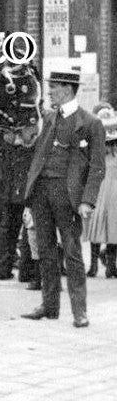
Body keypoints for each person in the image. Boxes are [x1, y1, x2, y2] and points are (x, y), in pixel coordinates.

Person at [21, 69, 106, 328]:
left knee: (72, 253)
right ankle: (49, 306)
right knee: (45, 250)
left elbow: (97, 167)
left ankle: (79, 312)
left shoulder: (91, 123)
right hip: (41, 193)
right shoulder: (47, 117)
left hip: (68, 197)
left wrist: (87, 201)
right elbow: (34, 149)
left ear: (68, 89)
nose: (49, 92)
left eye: (54, 87)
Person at [0, 126, 36, 281]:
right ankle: (25, 271)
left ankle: (2, 269)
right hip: (22, 187)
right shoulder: (32, 129)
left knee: (6, 229)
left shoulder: (4, 130)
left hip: (6, 187)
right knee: (27, 229)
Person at [84, 103, 117, 278]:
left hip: (102, 190)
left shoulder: (97, 151)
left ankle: (98, 265)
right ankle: (109, 265)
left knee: (99, 228)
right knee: (111, 228)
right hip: (109, 191)